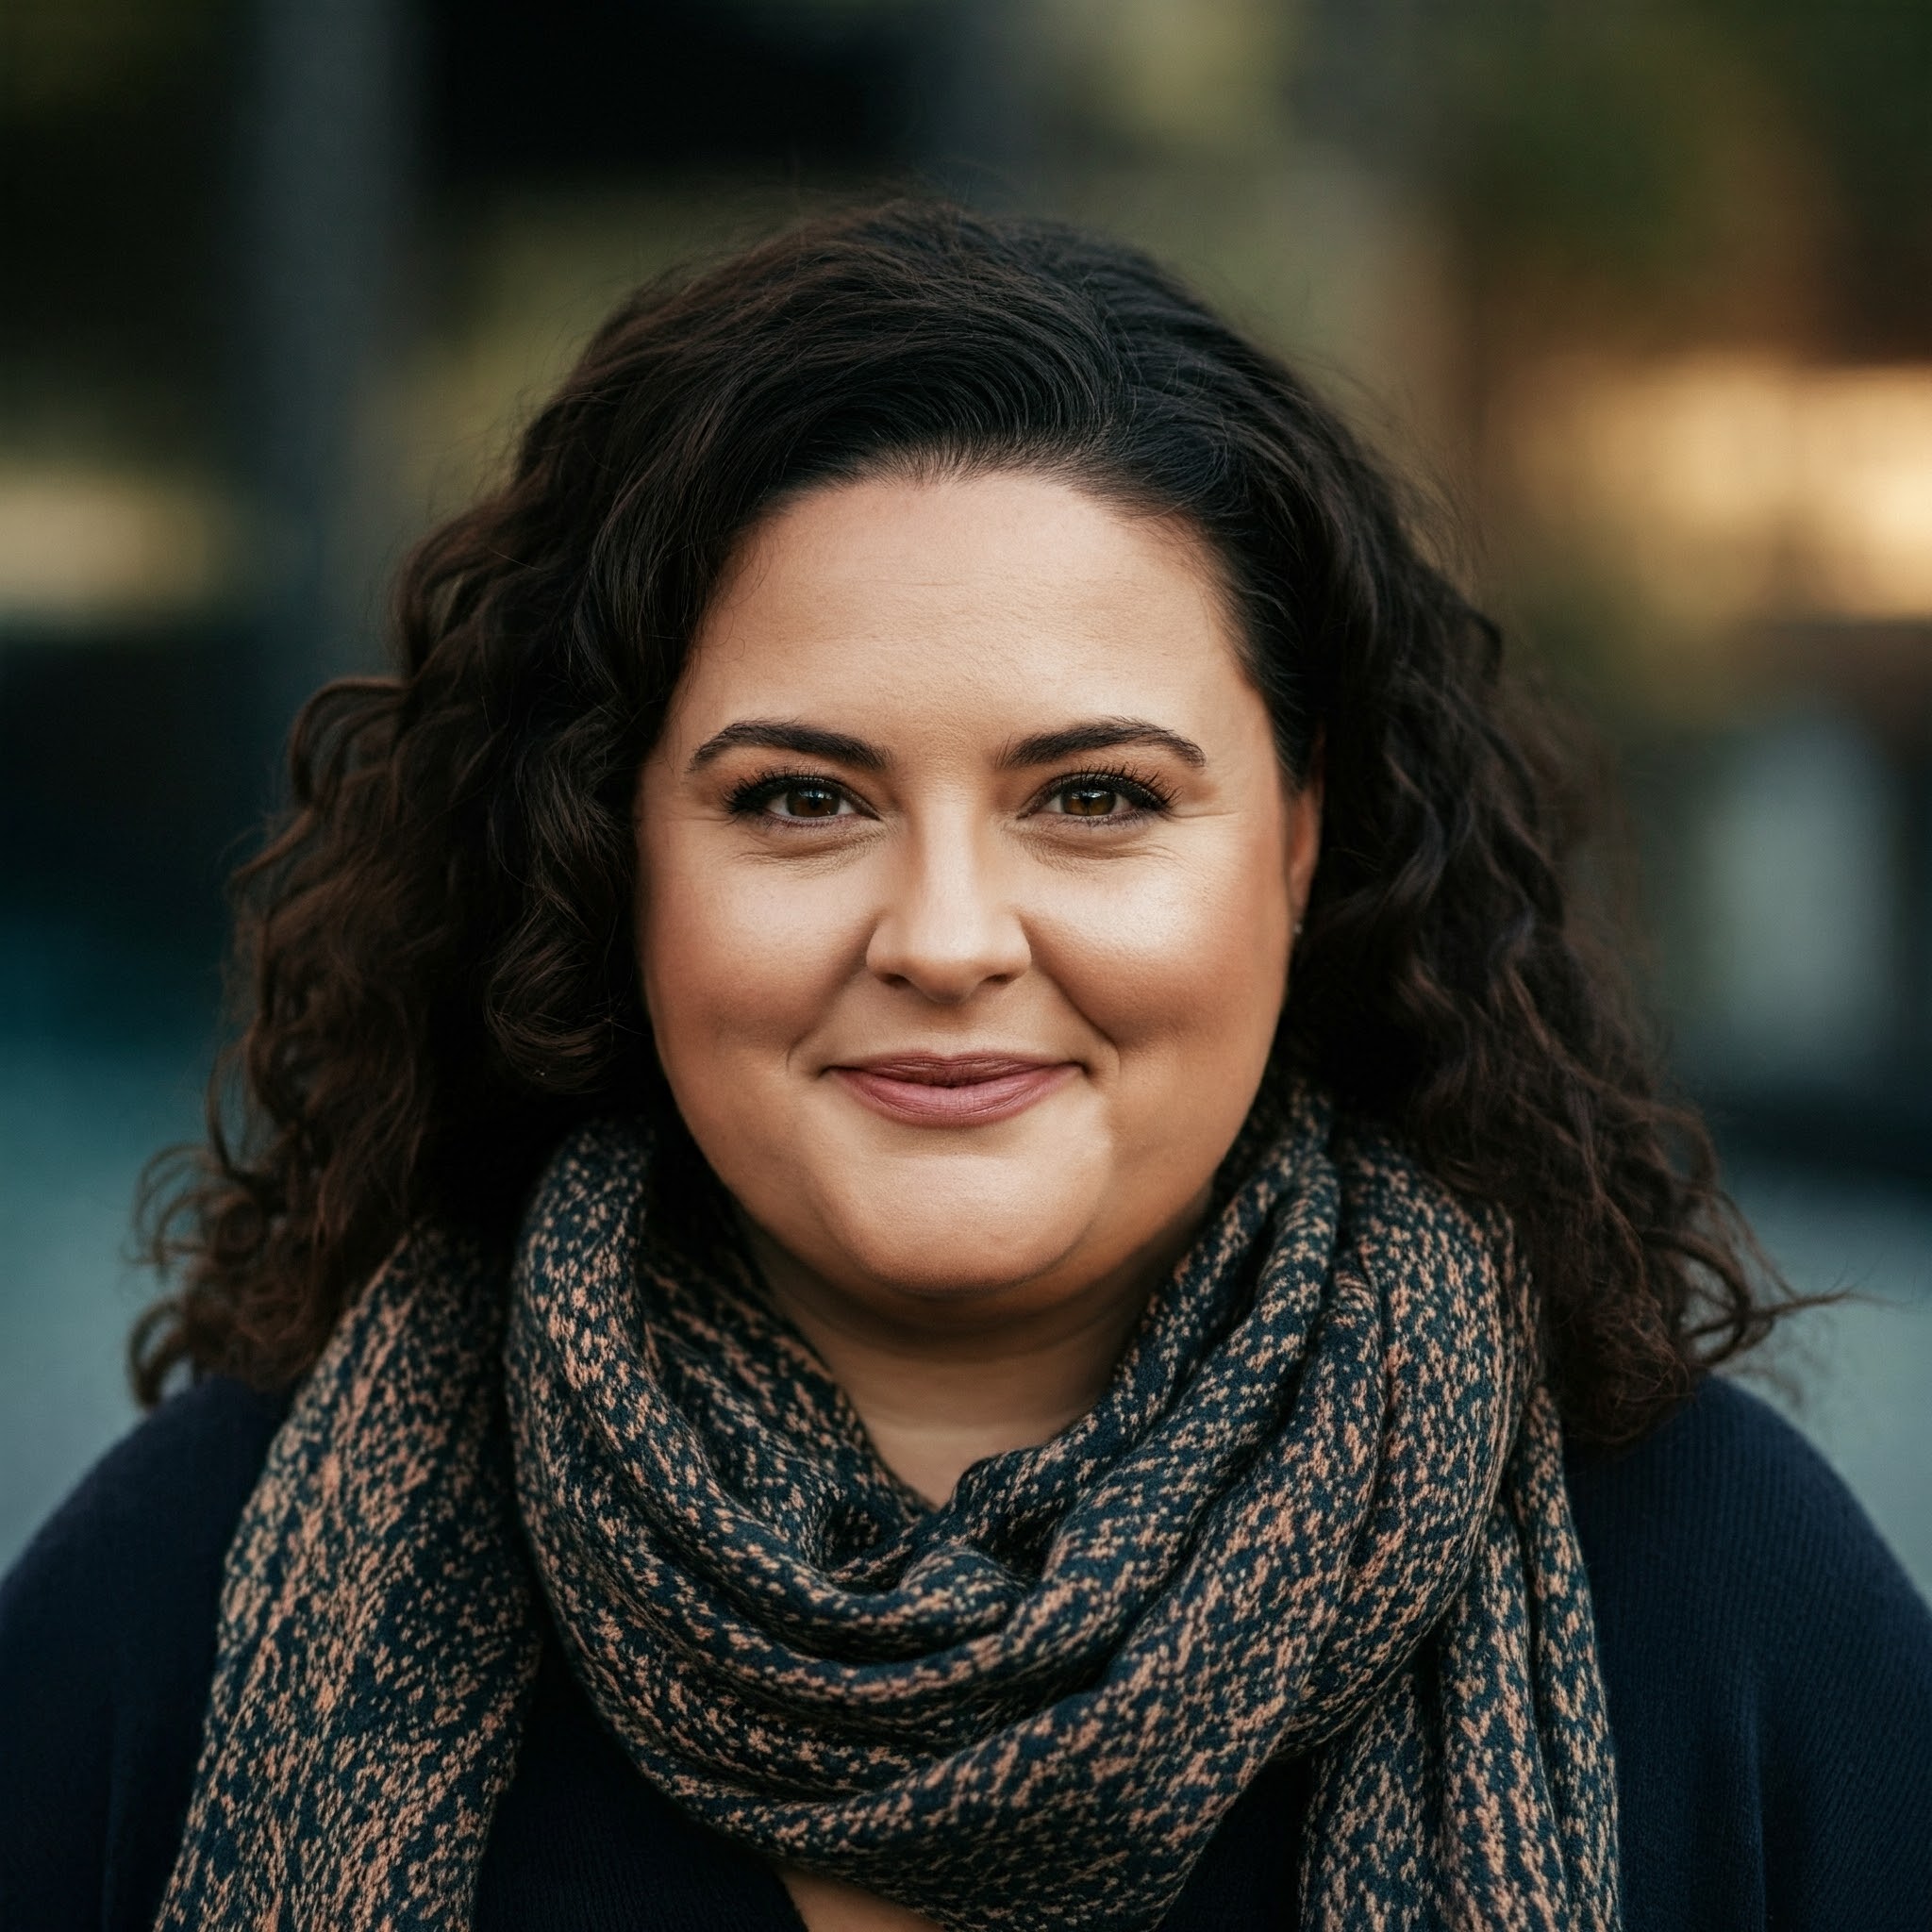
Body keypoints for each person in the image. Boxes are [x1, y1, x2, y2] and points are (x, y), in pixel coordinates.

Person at [2, 203, 1929, 1932]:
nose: (942, 934)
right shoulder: (193, 1597)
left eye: (1092, 797)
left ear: (1296, 842)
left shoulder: (1714, 1611)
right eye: (798, 798)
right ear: (613, 858)